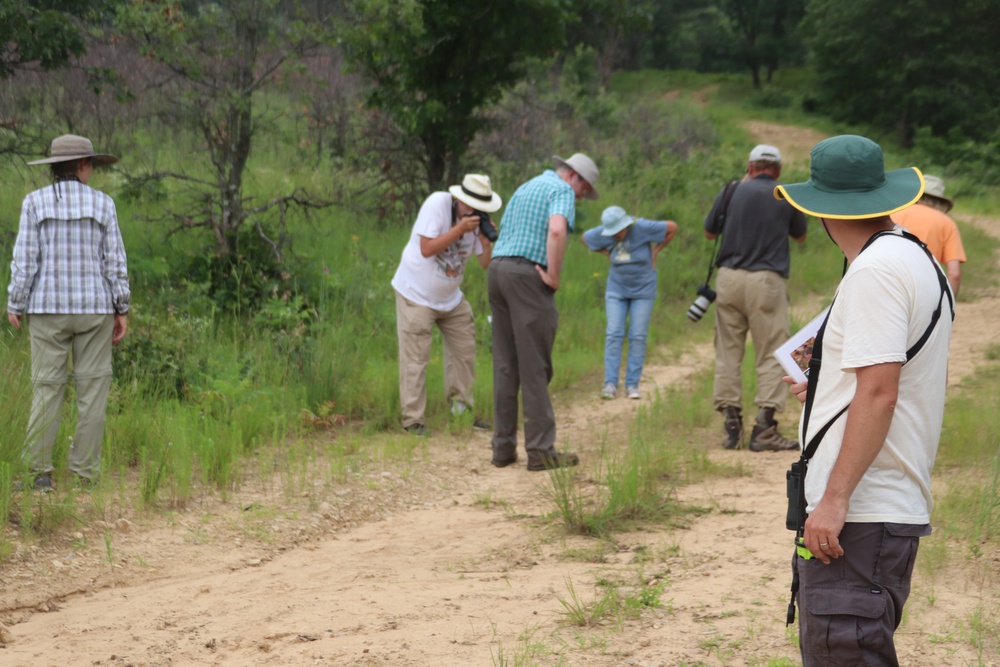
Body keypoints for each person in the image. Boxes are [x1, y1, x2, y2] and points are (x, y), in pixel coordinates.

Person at [776, 135, 953, 666]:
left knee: (846, 652)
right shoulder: (916, 257)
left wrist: (833, 499)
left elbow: (879, 392)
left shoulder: (875, 271)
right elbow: (894, 376)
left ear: (823, 212)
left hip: (862, 511)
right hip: (881, 505)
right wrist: (830, 387)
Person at [6, 134, 131, 490]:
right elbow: (115, 263)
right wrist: (121, 307)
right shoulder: (103, 204)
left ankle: (39, 476)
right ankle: (84, 477)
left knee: (46, 388)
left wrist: (16, 301)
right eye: (90, 163)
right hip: (95, 309)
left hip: (47, 309)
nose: (91, 169)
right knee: (92, 390)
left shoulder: (34, 203)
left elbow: (25, 260)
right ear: (80, 166)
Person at [488, 152, 599, 471]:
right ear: (573, 177)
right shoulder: (561, 191)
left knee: (505, 364)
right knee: (534, 365)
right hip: (527, 276)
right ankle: (539, 450)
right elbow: (556, 231)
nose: (582, 196)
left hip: (498, 271)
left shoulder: (527, 186)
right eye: (585, 189)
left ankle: (502, 448)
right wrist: (553, 274)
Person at [704, 144, 808, 451]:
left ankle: (731, 424)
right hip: (766, 280)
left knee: (727, 351)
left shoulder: (731, 190)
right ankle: (764, 427)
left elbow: (709, 233)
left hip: (728, 278)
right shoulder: (785, 193)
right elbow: (800, 236)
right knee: (772, 352)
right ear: (777, 171)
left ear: (750, 167)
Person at [390, 173, 501, 437]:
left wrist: (485, 244)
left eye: (480, 206)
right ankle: (413, 420)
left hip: (450, 298)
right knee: (416, 357)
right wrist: (459, 230)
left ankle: (461, 412)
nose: (474, 211)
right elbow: (426, 249)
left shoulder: (477, 223)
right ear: (458, 199)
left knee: (465, 349)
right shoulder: (436, 205)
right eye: (470, 204)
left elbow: (485, 264)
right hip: (416, 294)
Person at [582, 205, 677, 400]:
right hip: (617, 289)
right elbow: (585, 238)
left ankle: (632, 384)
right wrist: (606, 253)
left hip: (643, 290)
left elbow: (672, 227)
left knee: (638, 335)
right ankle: (610, 384)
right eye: (613, 232)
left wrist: (655, 252)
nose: (617, 235)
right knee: (614, 333)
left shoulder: (642, 227)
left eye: (619, 231)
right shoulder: (603, 233)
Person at [891, 174, 966, 297]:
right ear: (939, 201)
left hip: (892, 282)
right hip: (927, 291)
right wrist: (948, 306)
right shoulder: (947, 223)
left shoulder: (894, 214)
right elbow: (954, 274)